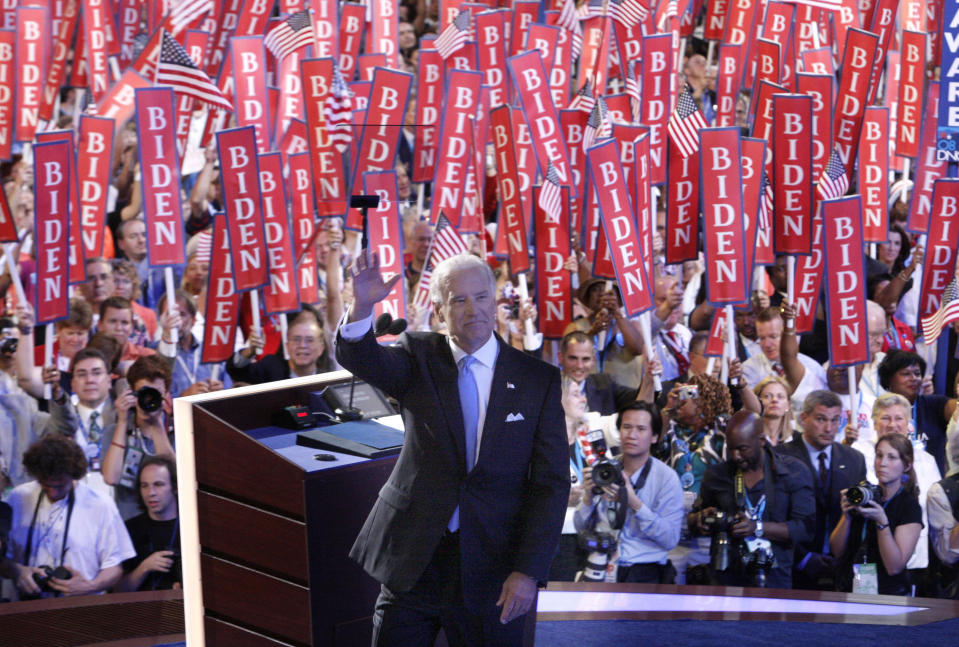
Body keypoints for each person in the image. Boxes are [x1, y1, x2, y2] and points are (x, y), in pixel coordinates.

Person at [335, 252, 568, 646]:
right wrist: (361, 306)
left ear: (495, 303)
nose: (472, 309)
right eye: (458, 300)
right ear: (441, 311)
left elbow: (551, 483)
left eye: (480, 297)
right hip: (415, 560)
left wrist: (528, 571)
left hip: (493, 566)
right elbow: (361, 357)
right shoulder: (417, 356)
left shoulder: (536, 380)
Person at [689, 410, 815, 589]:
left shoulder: (794, 472)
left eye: (742, 449)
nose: (735, 456)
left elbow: (805, 529)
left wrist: (757, 528)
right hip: (726, 579)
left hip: (775, 580)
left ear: (761, 441)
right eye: (730, 448)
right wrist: (701, 519)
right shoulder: (717, 475)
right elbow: (693, 521)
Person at [0, 435, 134, 599]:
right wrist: (17, 571)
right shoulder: (18, 497)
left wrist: (90, 586)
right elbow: (3, 560)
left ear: (74, 475)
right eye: (46, 485)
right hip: (26, 609)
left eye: (60, 485)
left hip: (82, 610)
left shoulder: (100, 504)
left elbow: (115, 566)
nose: (53, 492)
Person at [574, 402, 684, 583]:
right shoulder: (603, 471)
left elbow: (670, 539)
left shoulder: (667, 478)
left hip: (645, 572)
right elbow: (580, 528)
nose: (632, 435)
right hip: (600, 566)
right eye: (626, 427)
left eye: (641, 429)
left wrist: (634, 503)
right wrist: (588, 497)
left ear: (655, 436)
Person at [776, 391, 867, 590]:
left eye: (835, 420)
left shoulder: (854, 459)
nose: (829, 428)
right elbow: (775, 516)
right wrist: (804, 558)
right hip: (793, 569)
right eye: (821, 419)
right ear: (804, 418)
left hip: (841, 570)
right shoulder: (779, 457)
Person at [830, 434, 923, 595]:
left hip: (889, 595)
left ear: (906, 465)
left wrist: (882, 522)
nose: (883, 463)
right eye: (879, 456)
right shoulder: (864, 496)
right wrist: (846, 516)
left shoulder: (909, 506)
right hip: (849, 590)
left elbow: (894, 567)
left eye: (891, 457)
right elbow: (837, 552)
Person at [103, 355, 176, 520]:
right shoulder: (114, 431)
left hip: (166, 524)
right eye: (143, 393)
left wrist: (156, 424)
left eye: (155, 394)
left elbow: (176, 479)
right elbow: (110, 477)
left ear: (166, 395)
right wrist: (122, 422)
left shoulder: (179, 432)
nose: (148, 400)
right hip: (129, 524)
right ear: (131, 393)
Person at [878, 349, 956, 475]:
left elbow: (953, 409)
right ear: (889, 379)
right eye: (906, 374)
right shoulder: (879, 410)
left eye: (917, 373)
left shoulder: (934, 405)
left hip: (931, 485)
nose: (913, 378)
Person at [117, 454, 181, 592]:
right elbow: (118, 591)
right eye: (144, 486)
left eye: (158, 485)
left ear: (175, 487)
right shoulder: (130, 529)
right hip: (144, 609)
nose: (150, 493)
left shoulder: (192, 527)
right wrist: (143, 568)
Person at [227, 308, 333, 384]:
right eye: (296, 339)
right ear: (287, 344)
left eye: (309, 340)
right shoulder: (271, 368)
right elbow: (237, 371)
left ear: (321, 348)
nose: (302, 345)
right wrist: (249, 351)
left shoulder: (330, 378)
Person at [754, 376, 795, 446]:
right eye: (767, 396)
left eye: (780, 396)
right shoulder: (748, 437)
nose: (775, 400)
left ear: (788, 404)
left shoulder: (796, 440)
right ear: (757, 401)